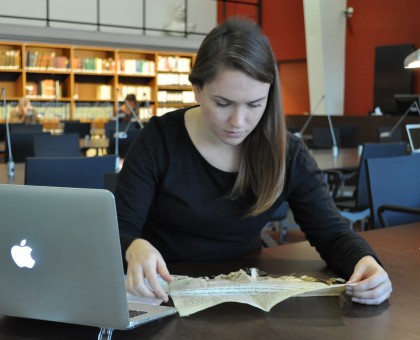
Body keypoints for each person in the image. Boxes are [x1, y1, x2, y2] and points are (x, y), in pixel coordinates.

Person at [116, 18, 392, 306]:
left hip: (245, 295)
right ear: (197, 89)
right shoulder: (158, 140)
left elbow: (331, 233)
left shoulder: (287, 151)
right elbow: (119, 228)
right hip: (162, 293)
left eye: (254, 104)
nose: (238, 122)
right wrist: (134, 246)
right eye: (223, 103)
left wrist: (366, 262)